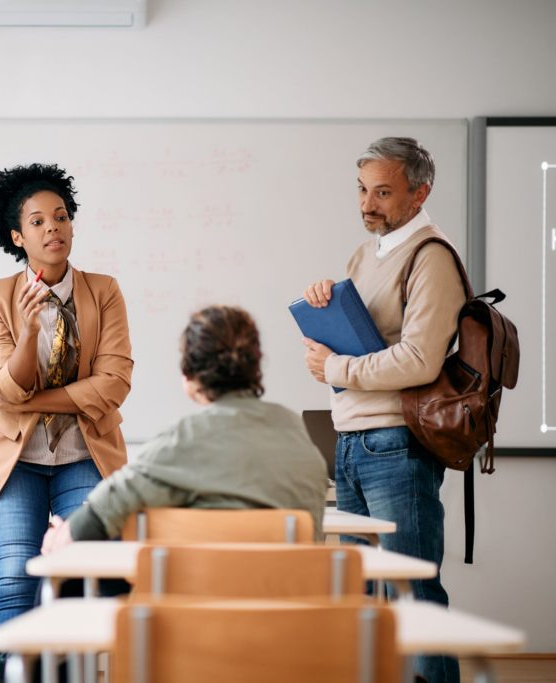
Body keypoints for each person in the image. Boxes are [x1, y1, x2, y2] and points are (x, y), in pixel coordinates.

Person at [300, 137, 465, 682]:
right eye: (363, 190)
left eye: (384, 192)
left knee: (413, 595)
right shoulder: (367, 253)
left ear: (420, 194)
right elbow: (364, 335)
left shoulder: (430, 256)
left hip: (394, 445)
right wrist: (329, 300)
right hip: (352, 443)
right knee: (367, 598)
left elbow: (420, 359)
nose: (367, 204)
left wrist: (337, 370)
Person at [0, 163, 133, 683]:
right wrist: (30, 328)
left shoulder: (103, 290)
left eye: (61, 217)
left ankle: (45, 671)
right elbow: (10, 387)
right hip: (16, 464)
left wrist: (23, 401)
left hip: (85, 456)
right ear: (17, 236)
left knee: (75, 579)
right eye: (37, 222)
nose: (52, 228)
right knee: (15, 581)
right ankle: (17, 671)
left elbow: (114, 385)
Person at [44, 305, 327, 554]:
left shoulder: (183, 441)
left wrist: (64, 535)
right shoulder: (295, 432)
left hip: (191, 611)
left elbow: (107, 506)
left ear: (189, 375)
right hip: (292, 608)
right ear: (255, 367)